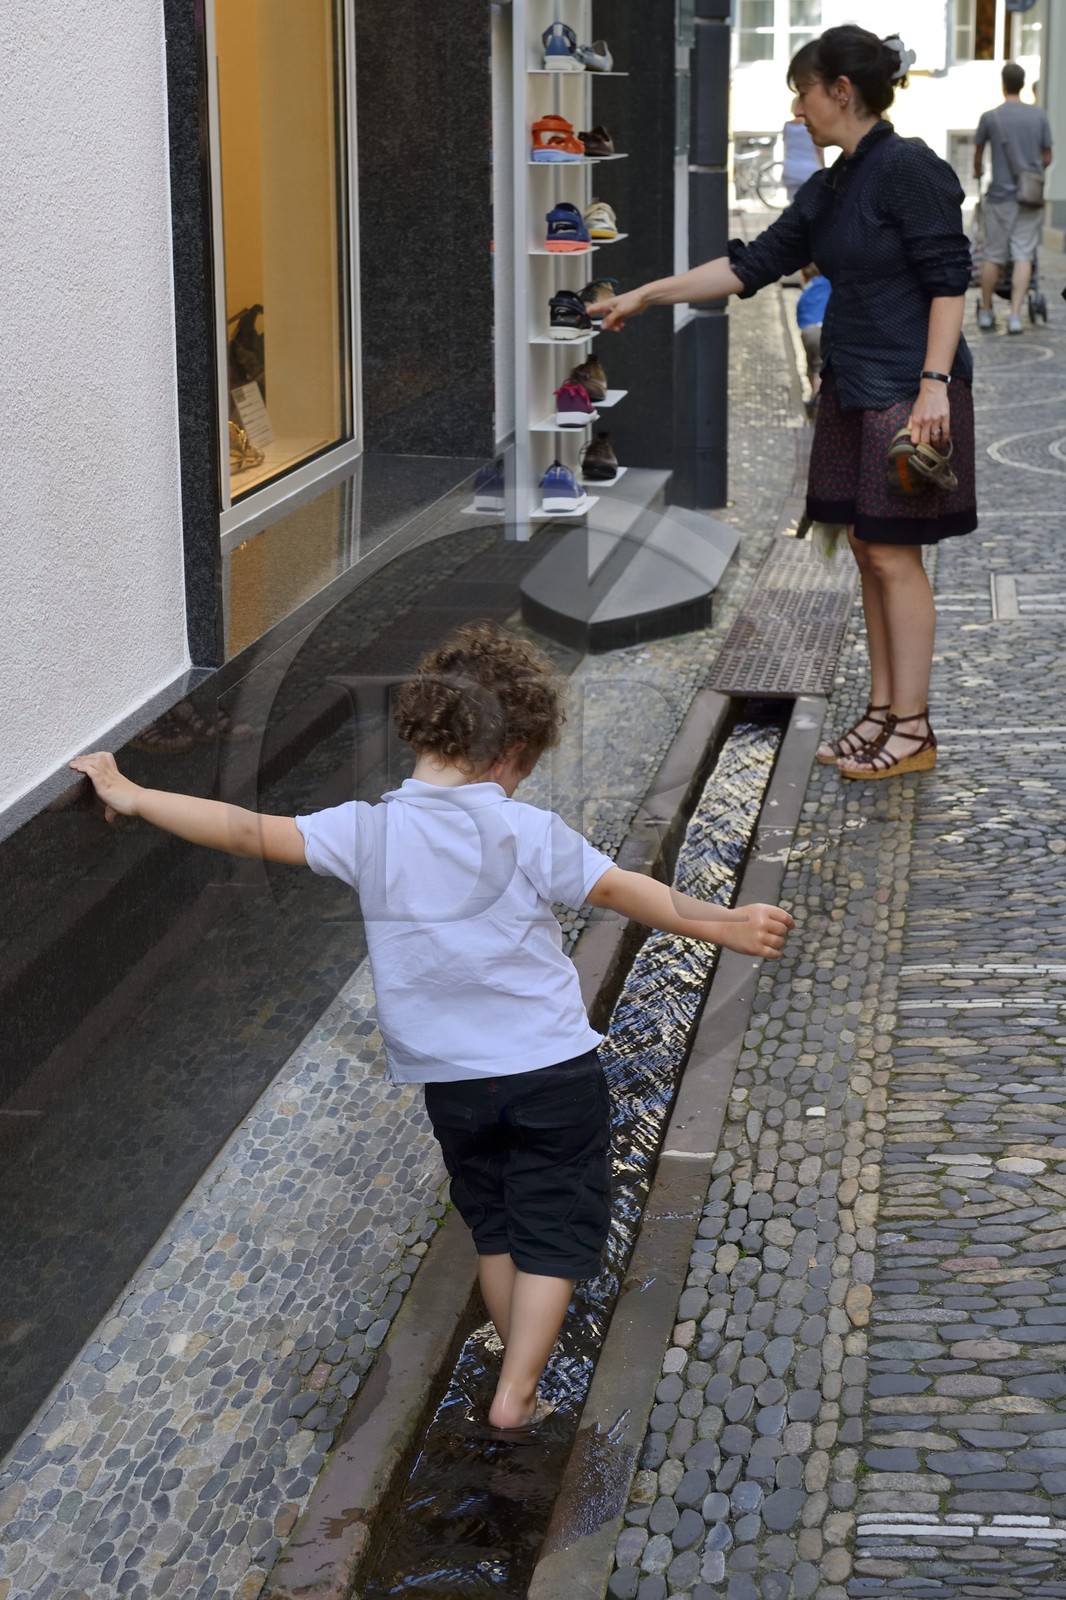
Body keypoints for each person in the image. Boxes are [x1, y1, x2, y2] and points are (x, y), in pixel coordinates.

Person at [70, 622, 794, 1433]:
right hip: (551, 1071)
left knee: (494, 1223)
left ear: (420, 731)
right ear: (511, 752)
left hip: (453, 1083)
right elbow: (627, 894)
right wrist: (724, 925)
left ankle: (503, 1352)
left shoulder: (366, 830)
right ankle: (520, 1389)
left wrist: (130, 793)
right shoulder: (525, 831)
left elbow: (244, 827)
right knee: (555, 1226)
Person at [597, 25, 976, 782]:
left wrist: (934, 385)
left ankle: (914, 726)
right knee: (869, 549)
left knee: (895, 557)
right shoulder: (833, 184)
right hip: (852, 387)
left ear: (841, 89)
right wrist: (648, 293)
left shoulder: (908, 167)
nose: (796, 111)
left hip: (908, 390)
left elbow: (948, 280)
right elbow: (752, 264)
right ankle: (881, 712)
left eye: (801, 93)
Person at [974, 62, 1053, 334]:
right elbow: (1047, 156)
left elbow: (977, 157)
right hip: (1028, 199)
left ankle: (986, 311)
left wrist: (978, 172)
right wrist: (1032, 173)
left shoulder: (990, 117)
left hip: (999, 197)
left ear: (1003, 83)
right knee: (1023, 254)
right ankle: (1016, 315)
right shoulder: (1039, 116)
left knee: (994, 255)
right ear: (1022, 83)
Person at [797, 265, 831, 413]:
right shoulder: (827, 282)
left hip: (807, 330)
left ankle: (813, 398)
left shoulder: (807, 289)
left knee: (811, 365)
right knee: (820, 367)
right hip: (823, 327)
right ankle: (818, 404)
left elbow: (799, 313)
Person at [783, 113, 823, 203]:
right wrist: (822, 166)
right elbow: (819, 150)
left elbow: (785, 148)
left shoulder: (787, 125)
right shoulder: (814, 125)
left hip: (791, 168)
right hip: (810, 168)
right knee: (811, 203)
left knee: (793, 204)